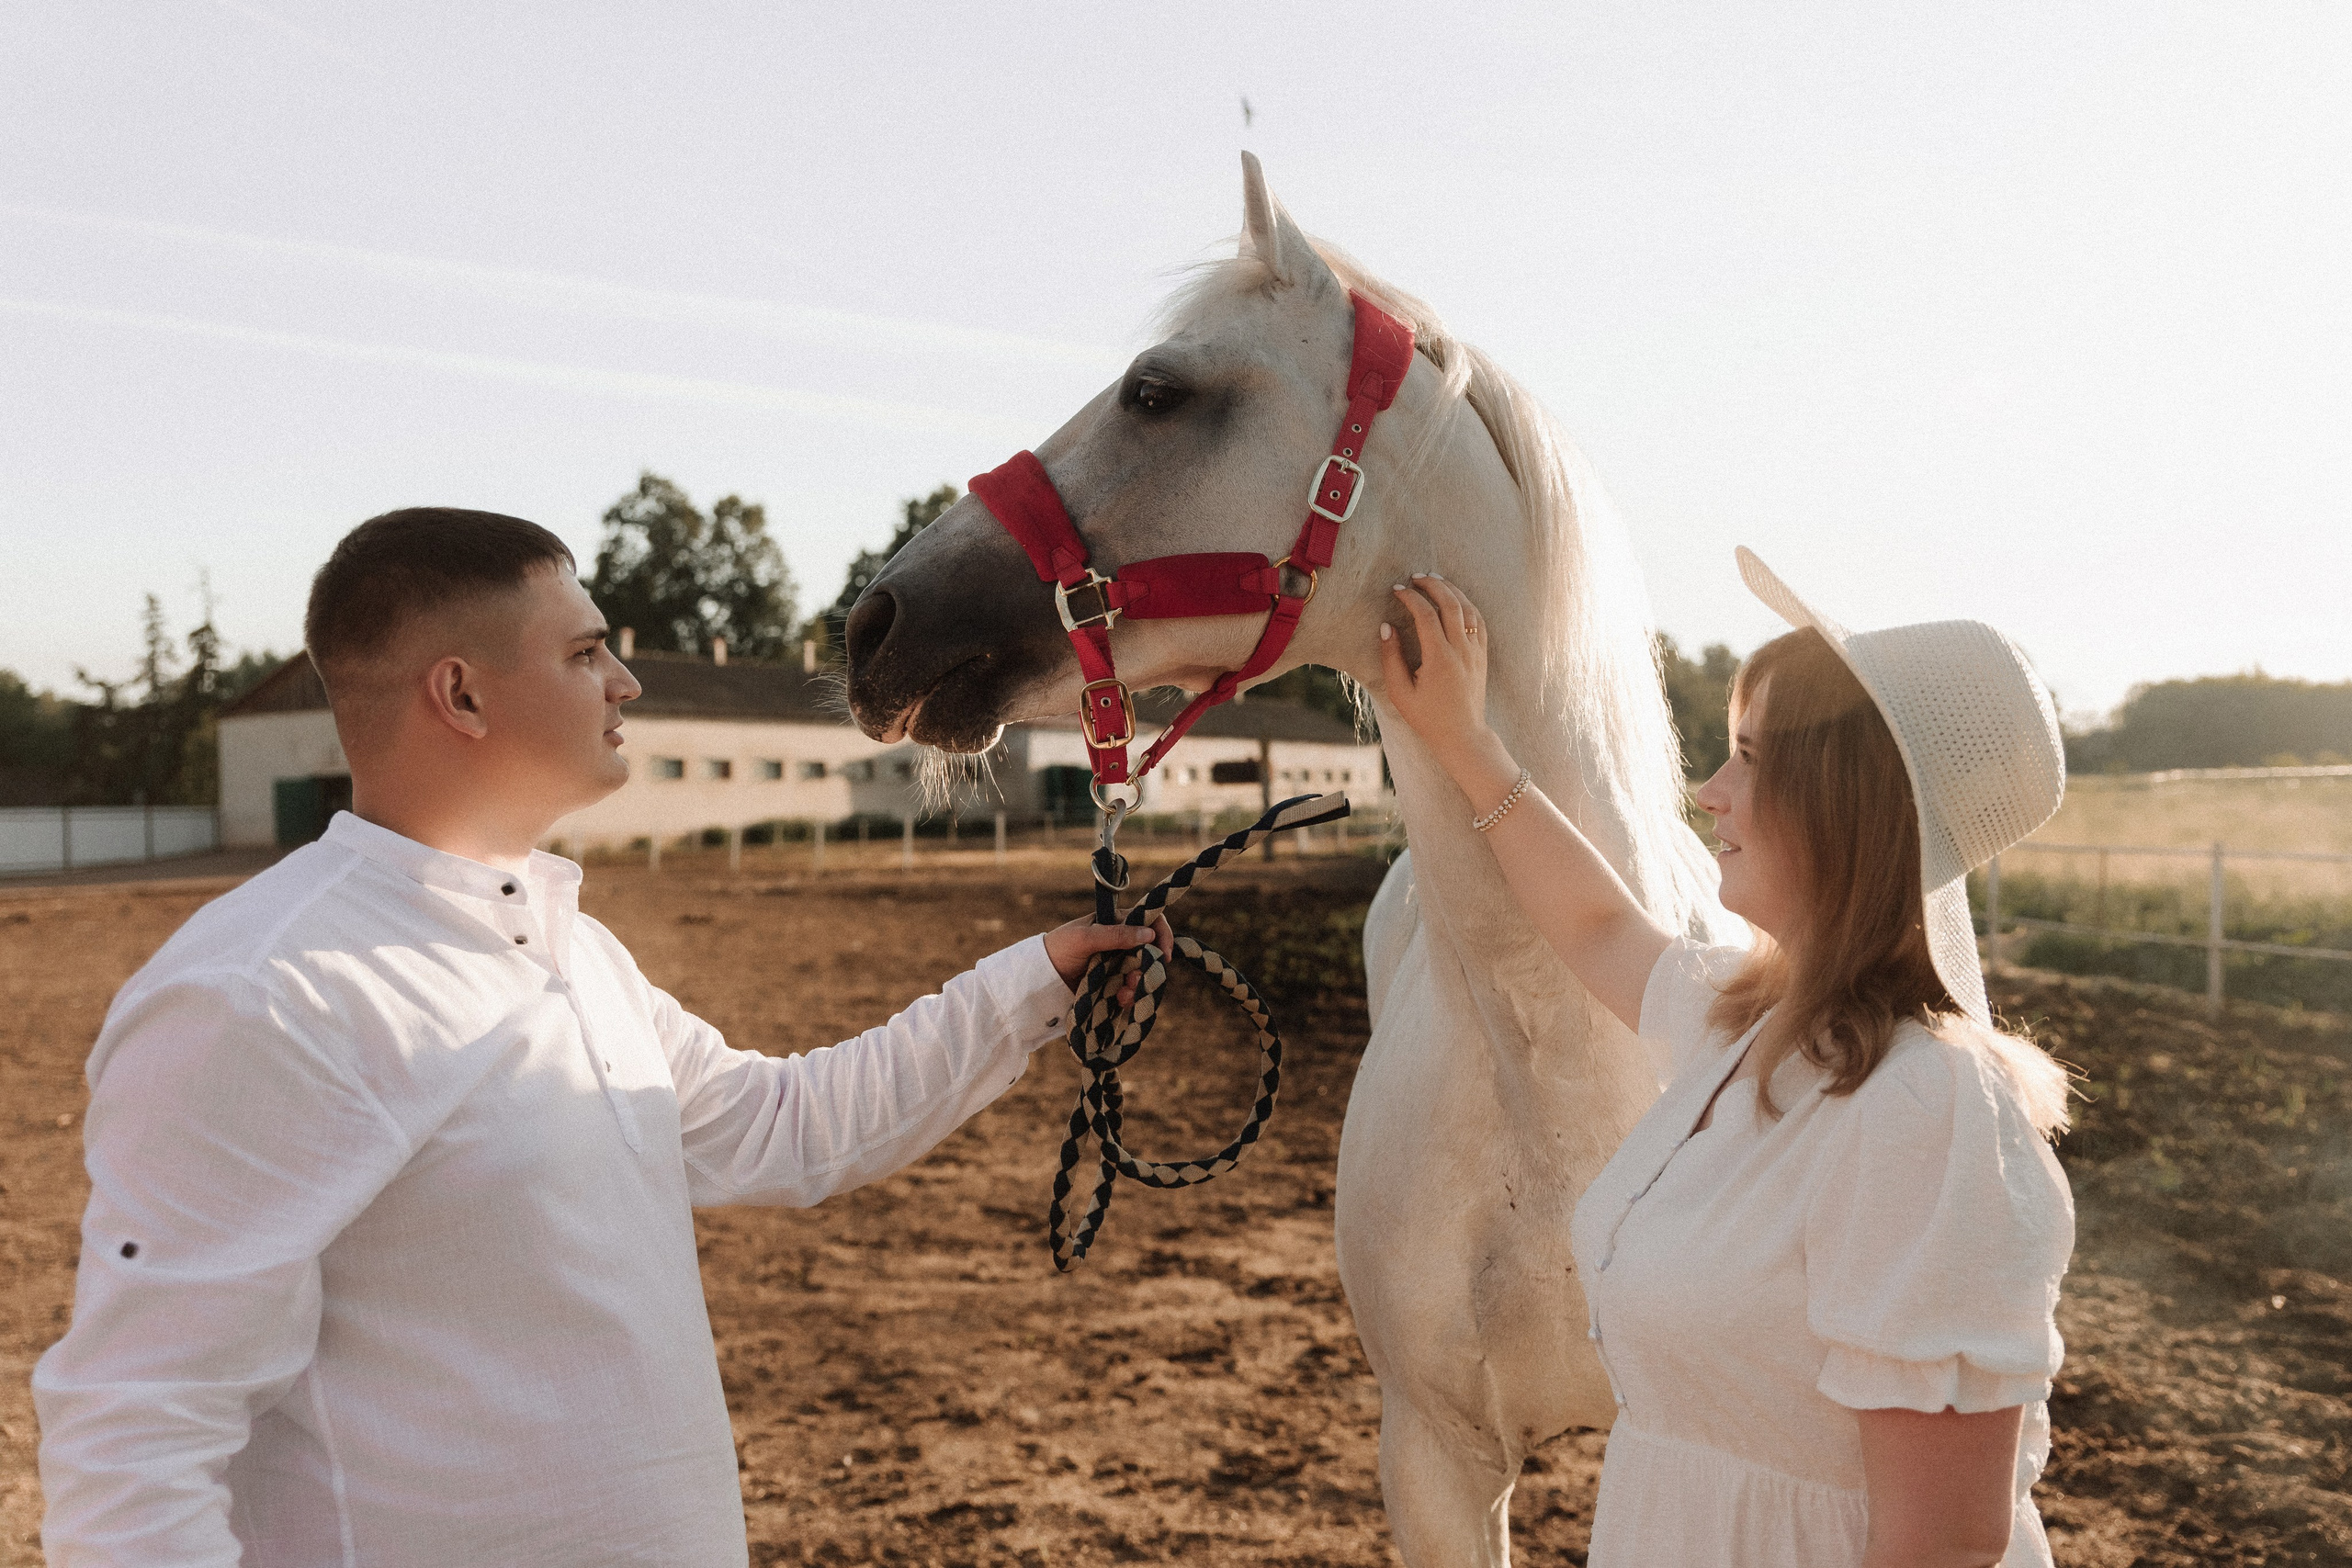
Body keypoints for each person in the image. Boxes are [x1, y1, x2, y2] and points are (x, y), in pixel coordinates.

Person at [33, 508, 1169, 1567]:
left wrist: (1036, 983)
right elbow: (135, 1434)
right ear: (462, 696)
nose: (624, 680)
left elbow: (783, 1127)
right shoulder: (264, 994)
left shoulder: (569, 949)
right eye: (585, 655)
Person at [1375, 548, 2075, 1568]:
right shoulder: (1751, 1027)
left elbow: (1945, 1547)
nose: (1710, 791)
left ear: (1847, 803)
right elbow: (1594, 924)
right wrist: (1462, 739)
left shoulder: (1925, 1109)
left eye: (1749, 756)